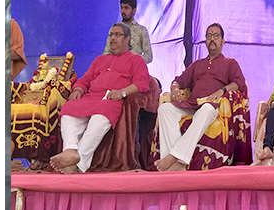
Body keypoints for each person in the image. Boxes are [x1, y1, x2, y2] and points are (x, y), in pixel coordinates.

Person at [52, 23, 151, 174]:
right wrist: (78, 90)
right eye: (111, 35)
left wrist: (122, 92)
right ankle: (70, 151)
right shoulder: (100, 60)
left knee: (102, 113)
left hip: (110, 100)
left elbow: (142, 84)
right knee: (68, 108)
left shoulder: (136, 60)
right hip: (90, 98)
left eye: (117, 35)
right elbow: (85, 80)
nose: (113, 38)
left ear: (127, 39)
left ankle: (78, 163)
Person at [155, 23, 247, 171]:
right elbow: (178, 80)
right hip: (191, 104)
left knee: (205, 110)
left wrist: (222, 90)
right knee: (165, 109)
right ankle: (175, 168)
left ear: (223, 41)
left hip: (212, 106)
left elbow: (240, 83)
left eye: (216, 36)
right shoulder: (197, 64)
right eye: (209, 36)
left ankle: (173, 157)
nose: (212, 39)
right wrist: (174, 89)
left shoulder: (230, 63)